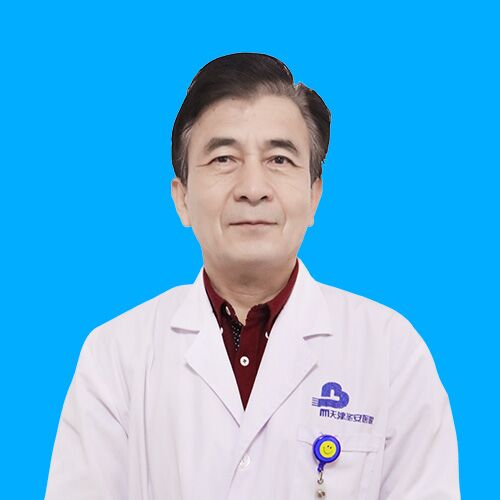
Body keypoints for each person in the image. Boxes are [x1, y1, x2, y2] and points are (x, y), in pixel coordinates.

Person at [45, 52, 460, 499]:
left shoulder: (392, 353)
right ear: (182, 199)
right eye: (223, 158)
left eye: (279, 159)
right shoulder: (116, 355)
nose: (253, 189)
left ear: (314, 195)